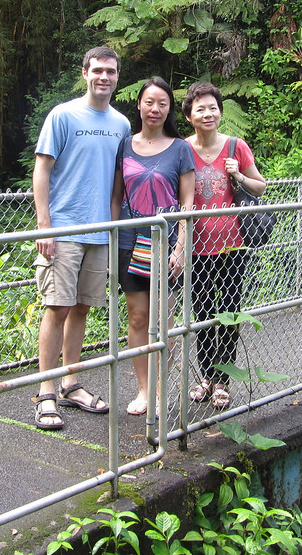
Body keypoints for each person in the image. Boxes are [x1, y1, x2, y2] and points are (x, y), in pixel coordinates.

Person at [32, 46, 132, 430]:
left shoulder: (122, 124)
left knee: (82, 308)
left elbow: (117, 185)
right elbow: (43, 169)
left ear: (118, 77)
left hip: (100, 232)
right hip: (64, 229)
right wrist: (46, 226)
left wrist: (110, 229)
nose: (103, 77)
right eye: (97, 70)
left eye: (110, 71)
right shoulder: (63, 115)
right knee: (56, 306)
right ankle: (46, 393)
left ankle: (71, 383)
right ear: (85, 72)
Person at [111, 77, 195, 416]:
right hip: (130, 242)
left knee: (164, 321)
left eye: (162, 103)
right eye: (149, 102)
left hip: (166, 243)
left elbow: (188, 203)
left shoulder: (180, 148)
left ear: (169, 108)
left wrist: (181, 248)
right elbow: (116, 196)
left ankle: (162, 390)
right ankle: (144, 390)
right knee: (137, 317)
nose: (155, 109)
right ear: (140, 105)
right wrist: (112, 237)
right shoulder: (125, 145)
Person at [181, 81, 267, 410]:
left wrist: (239, 176)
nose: (208, 113)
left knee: (229, 313)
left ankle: (223, 381)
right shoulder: (182, 149)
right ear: (189, 115)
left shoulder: (235, 147)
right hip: (196, 246)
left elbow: (260, 187)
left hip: (232, 245)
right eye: (200, 108)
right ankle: (206, 377)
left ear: (220, 112)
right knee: (202, 313)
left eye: (213, 107)